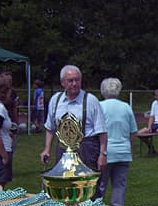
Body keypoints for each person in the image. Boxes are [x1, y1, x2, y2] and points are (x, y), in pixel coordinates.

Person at [40, 65, 108, 198]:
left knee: (88, 189)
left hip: (86, 149)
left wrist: (103, 154)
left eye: (77, 80)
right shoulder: (55, 100)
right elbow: (50, 128)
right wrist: (46, 149)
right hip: (63, 149)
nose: (74, 84)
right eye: (70, 80)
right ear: (62, 82)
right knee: (64, 187)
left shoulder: (91, 100)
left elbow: (102, 132)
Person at [97, 77, 138, 206]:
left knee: (100, 186)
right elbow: (133, 131)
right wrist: (129, 146)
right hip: (123, 152)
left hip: (105, 153)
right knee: (119, 187)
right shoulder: (126, 107)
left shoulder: (99, 106)